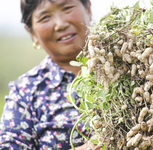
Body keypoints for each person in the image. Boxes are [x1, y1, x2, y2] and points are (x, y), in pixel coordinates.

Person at [0, 0, 94, 149]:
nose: (60, 24)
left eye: (67, 8)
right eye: (45, 17)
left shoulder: (131, 61)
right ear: (32, 33)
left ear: (88, 8)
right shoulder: (25, 94)